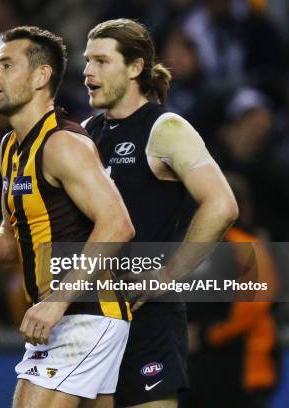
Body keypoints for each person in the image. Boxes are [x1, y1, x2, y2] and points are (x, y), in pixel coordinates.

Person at [0, 26, 135, 408]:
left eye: (6, 64)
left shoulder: (62, 144)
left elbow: (118, 223)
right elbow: (15, 237)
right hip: (68, 317)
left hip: (83, 313)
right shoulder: (10, 147)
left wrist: (57, 300)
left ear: (41, 76)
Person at [81, 19, 239, 408]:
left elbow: (222, 205)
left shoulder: (165, 127)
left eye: (101, 61)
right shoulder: (85, 132)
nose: (87, 72)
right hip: (90, 316)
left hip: (146, 316)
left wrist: (169, 273)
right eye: (87, 61)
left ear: (135, 68)